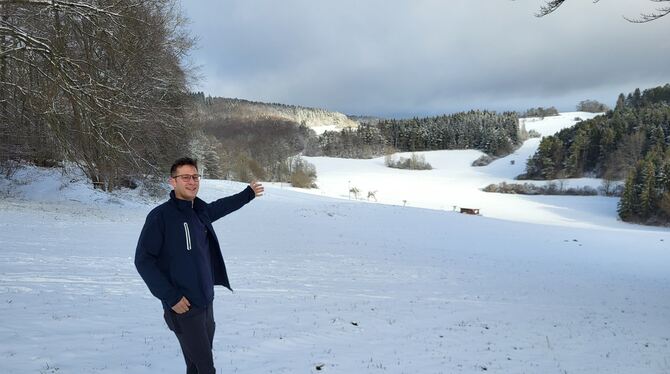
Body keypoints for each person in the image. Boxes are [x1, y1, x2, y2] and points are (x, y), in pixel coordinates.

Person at [135, 157, 264, 374]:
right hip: (184, 307)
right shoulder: (161, 217)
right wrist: (171, 297)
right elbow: (143, 260)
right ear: (172, 181)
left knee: (195, 365)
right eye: (185, 177)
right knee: (205, 367)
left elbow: (222, 206)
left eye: (195, 176)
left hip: (206, 303)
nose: (192, 182)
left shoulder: (199, 211)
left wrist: (248, 194)